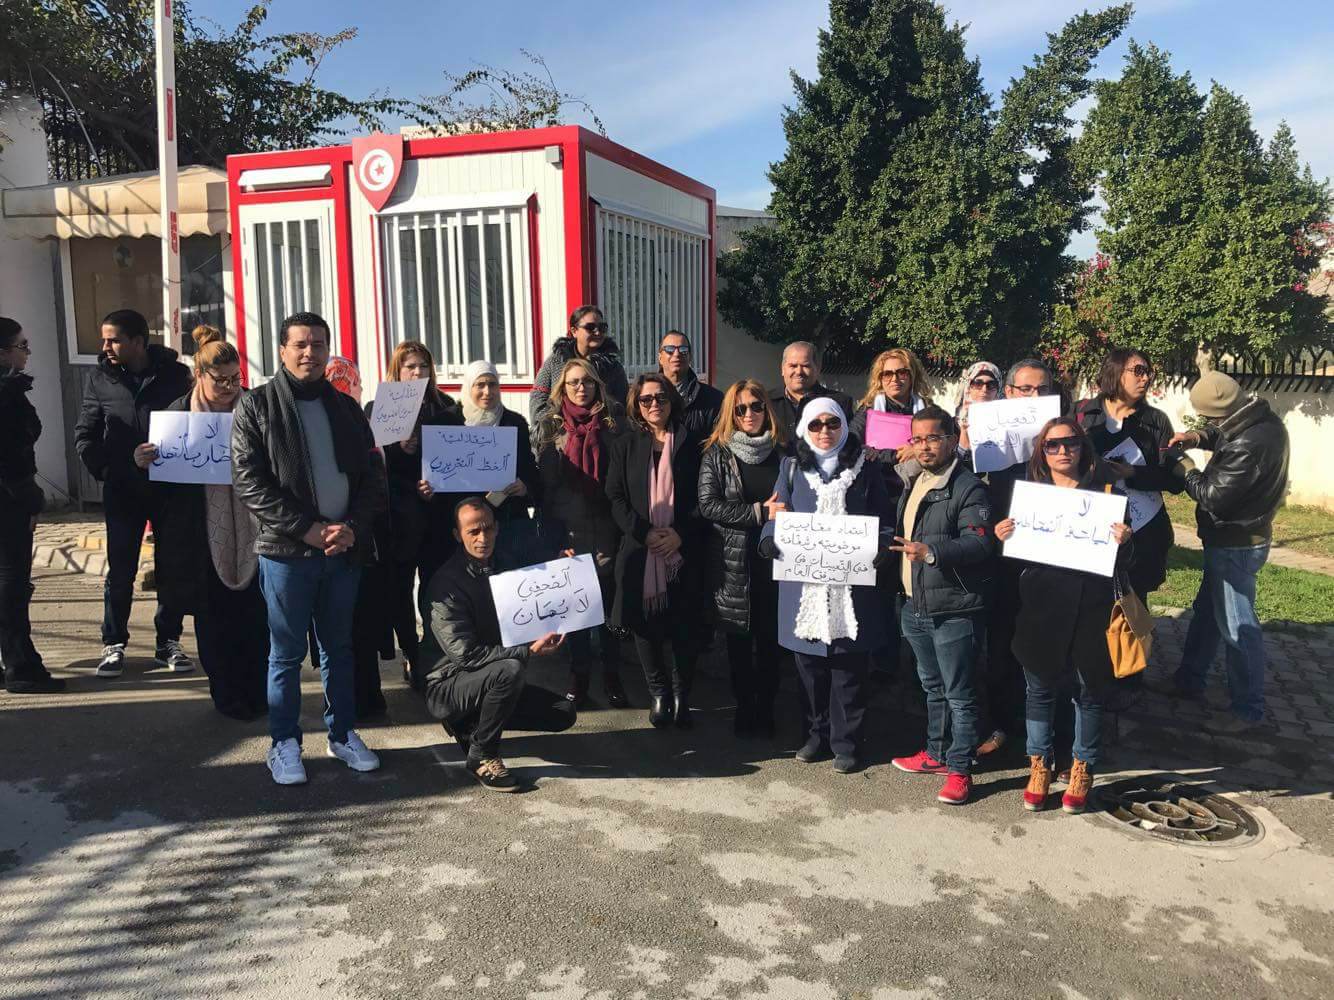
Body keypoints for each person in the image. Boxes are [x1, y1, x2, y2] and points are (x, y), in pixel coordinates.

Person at [231, 311, 386, 785]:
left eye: (318, 344)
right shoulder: (256, 406)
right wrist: (306, 529)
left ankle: (342, 734)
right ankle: (283, 743)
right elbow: (249, 482)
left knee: (339, 648)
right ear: (282, 350)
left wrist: (352, 527)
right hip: (286, 553)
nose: (309, 353)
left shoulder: (346, 409)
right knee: (285, 653)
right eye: (299, 344)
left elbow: (372, 478)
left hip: (342, 551)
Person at [994, 417, 1132, 814]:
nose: (1062, 451)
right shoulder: (1029, 496)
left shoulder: (1109, 494)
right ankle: (1039, 764)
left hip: (1092, 607)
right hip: (1041, 607)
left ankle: (1082, 767)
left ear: (1083, 447)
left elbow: (1126, 563)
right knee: (1038, 691)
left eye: (1070, 442)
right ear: (1042, 453)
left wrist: (1126, 541)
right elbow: (1013, 562)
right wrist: (1003, 538)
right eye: (1052, 445)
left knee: (1089, 693)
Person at [758, 398, 894, 773]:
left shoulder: (866, 468)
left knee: (848, 671)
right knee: (809, 670)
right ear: (804, 428)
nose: (824, 431)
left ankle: (847, 742)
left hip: (851, 589)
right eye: (815, 424)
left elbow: (884, 517)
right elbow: (777, 510)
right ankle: (815, 735)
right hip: (805, 587)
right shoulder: (790, 468)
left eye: (832, 423)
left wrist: (882, 546)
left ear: (844, 427)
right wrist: (769, 537)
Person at [137, 326, 267, 719]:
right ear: (199, 375)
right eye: (220, 379)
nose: (229, 387)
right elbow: (161, 489)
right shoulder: (177, 417)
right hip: (200, 538)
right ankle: (227, 695)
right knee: (214, 622)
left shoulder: (257, 410)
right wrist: (143, 461)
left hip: (256, 532)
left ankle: (259, 693)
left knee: (256, 618)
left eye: (235, 378)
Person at [1162, 371, 1290, 733]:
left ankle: (1247, 710)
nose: (1208, 423)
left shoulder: (1248, 443)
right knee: (1207, 613)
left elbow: (1213, 496)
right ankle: (1189, 680)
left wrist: (1185, 467)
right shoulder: (1262, 419)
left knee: (1238, 627)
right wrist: (1196, 437)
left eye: (1207, 419)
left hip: (1236, 543)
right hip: (1237, 537)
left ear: (1217, 412)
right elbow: (1224, 432)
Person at [419, 498, 576, 791]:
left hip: (488, 674)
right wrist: (528, 650)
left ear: (497, 528)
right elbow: (466, 656)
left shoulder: (504, 564)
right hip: (446, 684)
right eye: (473, 531)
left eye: (488, 528)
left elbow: (537, 582)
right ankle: (482, 755)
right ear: (457, 535)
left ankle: (469, 724)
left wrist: (560, 565)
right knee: (510, 669)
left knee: (562, 712)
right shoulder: (445, 584)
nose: (483, 538)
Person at [74, 308, 194, 678]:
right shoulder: (99, 379)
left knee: (171, 566)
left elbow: (195, 423)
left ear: (139, 341)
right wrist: (113, 468)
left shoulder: (176, 375)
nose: (105, 347)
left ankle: (168, 641)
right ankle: (113, 643)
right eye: (104, 339)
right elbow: (86, 435)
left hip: (171, 488)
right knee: (121, 569)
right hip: (123, 489)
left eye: (114, 340)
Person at [889, 405, 994, 805]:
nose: (925, 446)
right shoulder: (915, 480)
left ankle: (961, 769)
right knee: (932, 687)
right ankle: (936, 753)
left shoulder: (968, 487)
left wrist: (932, 552)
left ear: (952, 439)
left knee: (959, 694)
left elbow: (980, 542)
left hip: (953, 608)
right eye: (917, 439)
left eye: (933, 437)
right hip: (915, 604)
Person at [606, 373, 707, 729]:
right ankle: (659, 692)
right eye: (646, 399)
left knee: (684, 627)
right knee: (644, 626)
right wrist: (644, 533)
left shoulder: (693, 444)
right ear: (636, 404)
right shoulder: (624, 444)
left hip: (683, 550)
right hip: (640, 550)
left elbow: (704, 497)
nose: (654, 404)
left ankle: (681, 695)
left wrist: (680, 534)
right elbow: (615, 497)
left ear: (671, 401)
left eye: (660, 398)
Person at [363, 341, 460, 689]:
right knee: (400, 590)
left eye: (423, 366)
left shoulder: (446, 406)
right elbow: (372, 465)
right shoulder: (380, 406)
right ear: (398, 370)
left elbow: (456, 462)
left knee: (435, 588)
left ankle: (435, 651)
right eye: (410, 367)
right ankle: (411, 653)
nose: (417, 372)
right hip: (398, 518)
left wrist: (438, 486)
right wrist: (397, 449)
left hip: (436, 516)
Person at [975, 357, 1058, 756]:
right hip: (1003, 555)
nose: (1033, 396)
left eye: (1041, 390)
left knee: (1047, 646)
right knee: (1001, 643)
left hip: (1050, 559)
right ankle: (1001, 724)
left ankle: (1046, 732)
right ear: (1008, 393)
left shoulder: (1063, 439)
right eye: (1025, 389)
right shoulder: (988, 434)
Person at [535, 359, 628, 708]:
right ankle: (579, 678)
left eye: (587, 381)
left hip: (606, 529)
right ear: (563, 388)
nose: (580, 388)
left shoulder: (614, 425)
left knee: (607, 612)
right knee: (575, 612)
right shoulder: (550, 427)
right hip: (568, 532)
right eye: (573, 382)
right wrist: (556, 542)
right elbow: (544, 492)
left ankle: (613, 676)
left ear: (597, 386)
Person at [698, 379, 787, 738]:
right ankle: (744, 707)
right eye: (740, 409)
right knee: (739, 643)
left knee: (770, 644)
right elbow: (708, 505)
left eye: (756, 406)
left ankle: (766, 709)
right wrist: (758, 513)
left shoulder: (784, 453)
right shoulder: (717, 454)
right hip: (734, 562)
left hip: (777, 562)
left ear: (767, 409)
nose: (749, 414)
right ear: (731, 414)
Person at [1074, 349, 1178, 603]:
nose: (1146, 378)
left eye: (1148, 372)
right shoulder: (1080, 414)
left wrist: (1133, 472)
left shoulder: (1156, 421)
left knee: (1134, 605)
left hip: (1140, 530)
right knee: (1089, 601)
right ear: (1115, 372)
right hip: (1089, 524)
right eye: (1138, 371)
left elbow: (1173, 478)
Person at [0, 317, 62, 694]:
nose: (27, 353)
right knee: (11, 582)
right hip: (9, 502)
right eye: (21, 346)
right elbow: (13, 458)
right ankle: (20, 665)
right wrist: (31, 499)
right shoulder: (7, 396)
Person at [457, 359, 540, 569]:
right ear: (468, 387)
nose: (487, 392)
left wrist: (524, 487)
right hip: (468, 529)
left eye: (492, 384)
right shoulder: (451, 422)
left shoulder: (514, 423)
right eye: (480, 385)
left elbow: (530, 469)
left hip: (508, 525)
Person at [530, 306, 628, 425]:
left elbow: (621, 404)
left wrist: (604, 427)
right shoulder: (556, 361)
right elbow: (539, 396)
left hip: (600, 431)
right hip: (560, 430)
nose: (597, 332)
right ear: (574, 331)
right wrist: (551, 426)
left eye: (602, 328)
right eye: (590, 327)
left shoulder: (612, 367)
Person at [767, 342, 854, 451]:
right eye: (793, 366)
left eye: (806, 366)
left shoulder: (839, 403)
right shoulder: (766, 402)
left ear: (817, 368)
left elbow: (850, 444)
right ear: (783, 369)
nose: (799, 371)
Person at [657, 330, 723, 437]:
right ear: (660, 357)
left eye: (683, 350)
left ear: (690, 357)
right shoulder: (646, 398)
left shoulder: (714, 399)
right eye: (670, 349)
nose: (677, 354)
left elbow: (720, 441)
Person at [953, 361, 1002, 457]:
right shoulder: (950, 426)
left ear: (998, 389)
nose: (984, 389)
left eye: (991, 384)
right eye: (978, 383)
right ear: (968, 387)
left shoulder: (1006, 424)